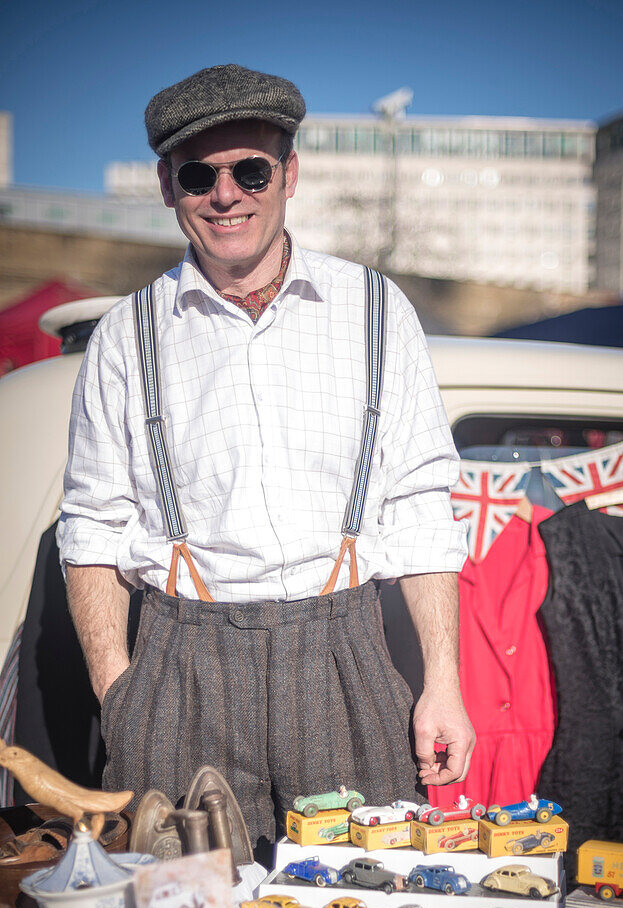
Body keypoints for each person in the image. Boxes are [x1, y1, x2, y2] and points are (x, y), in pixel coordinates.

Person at [57, 64, 474, 854]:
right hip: (181, 668)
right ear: (166, 186)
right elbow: (91, 528)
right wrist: (124, 695)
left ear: (288, 174)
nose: (226, 195)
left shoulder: (376, 311)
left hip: (342, 655)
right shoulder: (125, 336)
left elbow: (420, 509)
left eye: (250, 169)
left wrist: (442, 684)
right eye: (198, 175)